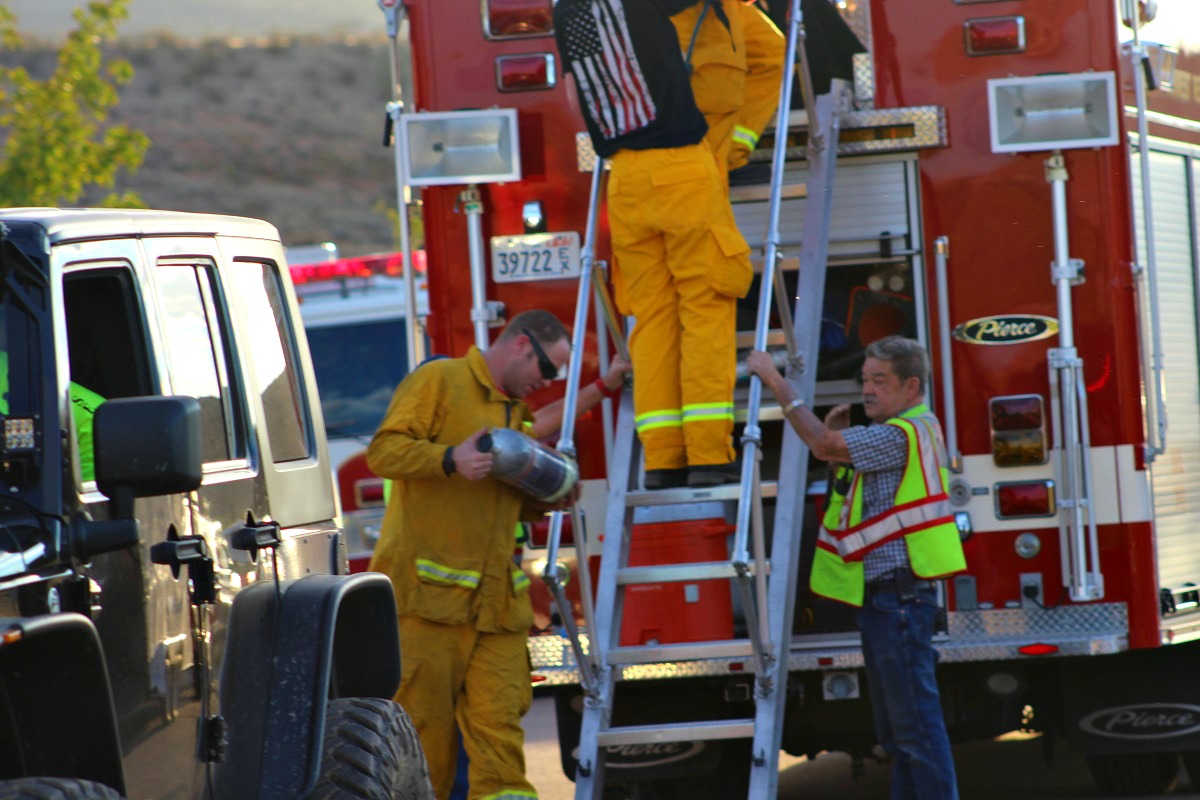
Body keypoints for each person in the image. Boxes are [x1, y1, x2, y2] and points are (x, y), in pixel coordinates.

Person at [747, 336, 966, 800]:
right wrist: (837, 452)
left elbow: (824, 444)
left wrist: (776, 382)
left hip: (898, 604)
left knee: (915, 736)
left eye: (879, 381)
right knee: (900, 738)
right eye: (864, 379)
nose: (867, 389)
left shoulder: (899, 434)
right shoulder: (906, 431)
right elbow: (841, 468)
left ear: (911, 386)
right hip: (891, 602)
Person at [366, 309, 572, 800]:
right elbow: (384, 452)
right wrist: (447, 459)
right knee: (424, 745)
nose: (547, 384)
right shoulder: (441, 379)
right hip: (427, 608)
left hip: (496, 610)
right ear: (523, 345)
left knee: (500, 738)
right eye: (548, 370)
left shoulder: (512, 413)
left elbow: (502, 502)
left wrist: (547, 498)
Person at [554, 0, 753, 489]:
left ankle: (663, 458)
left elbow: (573, 94)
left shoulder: (567, 11)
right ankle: (709, 452)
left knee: (653, 315)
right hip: (680, 167)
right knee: (704, 303)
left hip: (624, 179)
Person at [672, 0, 785, 183]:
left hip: (727, 6)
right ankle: (712, 162)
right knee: (715, 78)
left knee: (774, 55)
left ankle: (729, 154)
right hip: (690, 8)